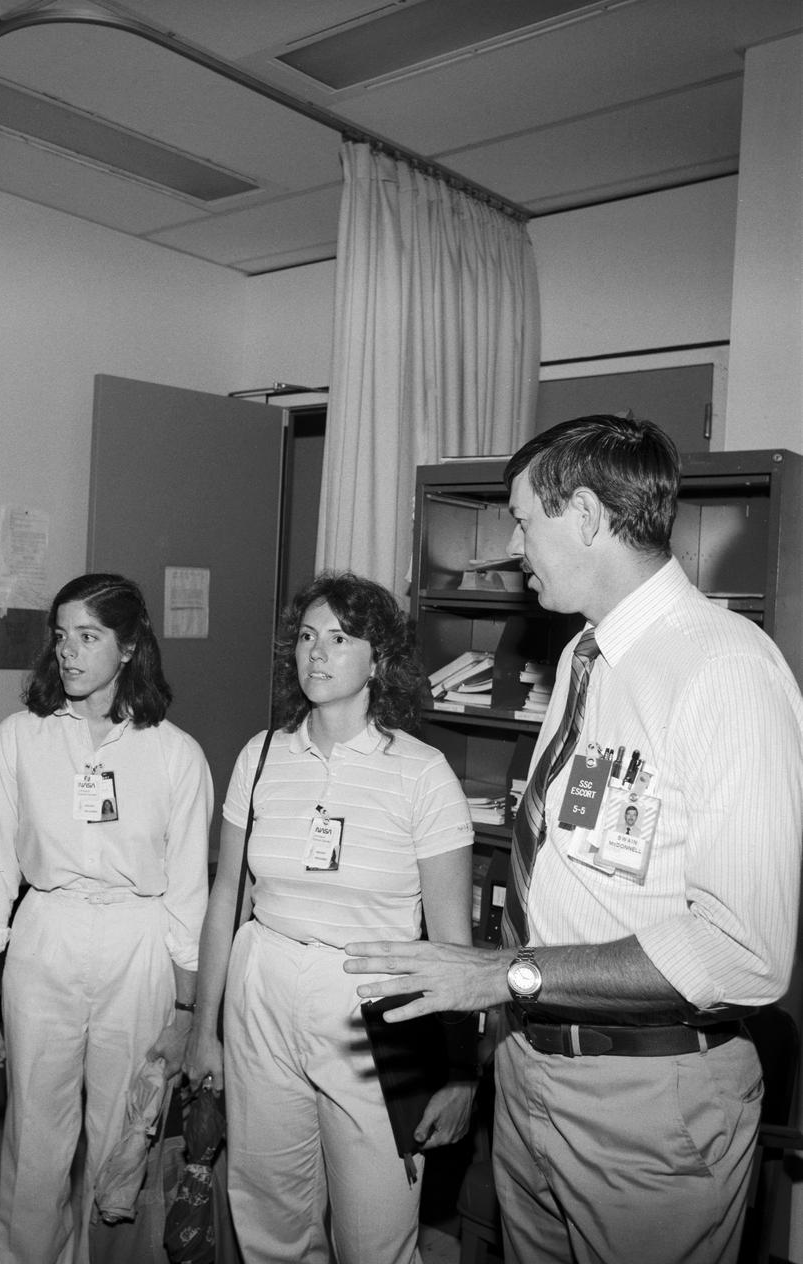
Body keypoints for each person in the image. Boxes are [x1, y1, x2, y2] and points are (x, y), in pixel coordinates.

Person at [344, 415, 803, 1264]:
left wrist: (502, 972)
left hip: (649, 1097)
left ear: (586, 516)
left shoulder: (724, 671)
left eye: (524, 520)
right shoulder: (587, 660)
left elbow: (746, 950)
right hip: (534, 1066)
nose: (515, 546)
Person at [182, 571, 477, 1264]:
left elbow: (455, 946)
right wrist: (203, 1029)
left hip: (374, 1001)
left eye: (341, 638)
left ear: (380, 660)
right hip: (264, 984)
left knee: (374, 1232)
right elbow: (227, 898)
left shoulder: (422, 774)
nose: (318, 652)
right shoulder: (260, 756)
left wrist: (462, 1072)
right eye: (308, 637)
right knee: (269, 1213)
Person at [0, 572, 212, 1264]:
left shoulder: (176, 755)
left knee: (123, 1137)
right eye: (62, 636)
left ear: (130, 647)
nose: (68, 652)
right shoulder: (22, 738)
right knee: (36, 1141)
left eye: (89, 636)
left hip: (140, 943)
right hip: (46, 936)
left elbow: (190, 894)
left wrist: (187, 1011)